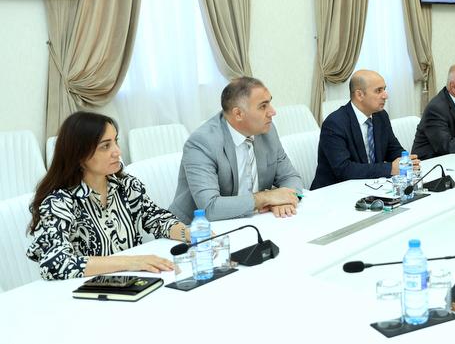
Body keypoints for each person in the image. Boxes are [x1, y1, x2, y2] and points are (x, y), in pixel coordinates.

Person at [27, 111, 189, 280]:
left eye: (115, 141)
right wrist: (130, 262)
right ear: (79, 154)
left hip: (132, 281)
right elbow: (55, 264)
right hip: (88, 288)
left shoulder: (126, 185)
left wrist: (192, 234)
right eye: (105, 146)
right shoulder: (58, 202)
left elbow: (158, 220)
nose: (117, 151)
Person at [169, 77, 302, 223]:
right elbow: (210, 208)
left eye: (269, 103)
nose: (272, 112)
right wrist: (266, 198)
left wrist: (284, 201)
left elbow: (291, 177)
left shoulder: (266, 130)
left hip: (253, 222)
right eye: (263, 106)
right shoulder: (202, 142)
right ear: (238, 114)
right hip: (197, 229)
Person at [312, 70, 419, 190]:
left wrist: (407, 162)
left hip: (370, 187)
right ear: (359, 95)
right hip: (333, 192)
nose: (385, 96)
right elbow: (344, 170)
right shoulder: (334, 123)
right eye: (378, 91)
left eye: (384, 89)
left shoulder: (381, 116)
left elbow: (392, 149)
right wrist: (390, 168)